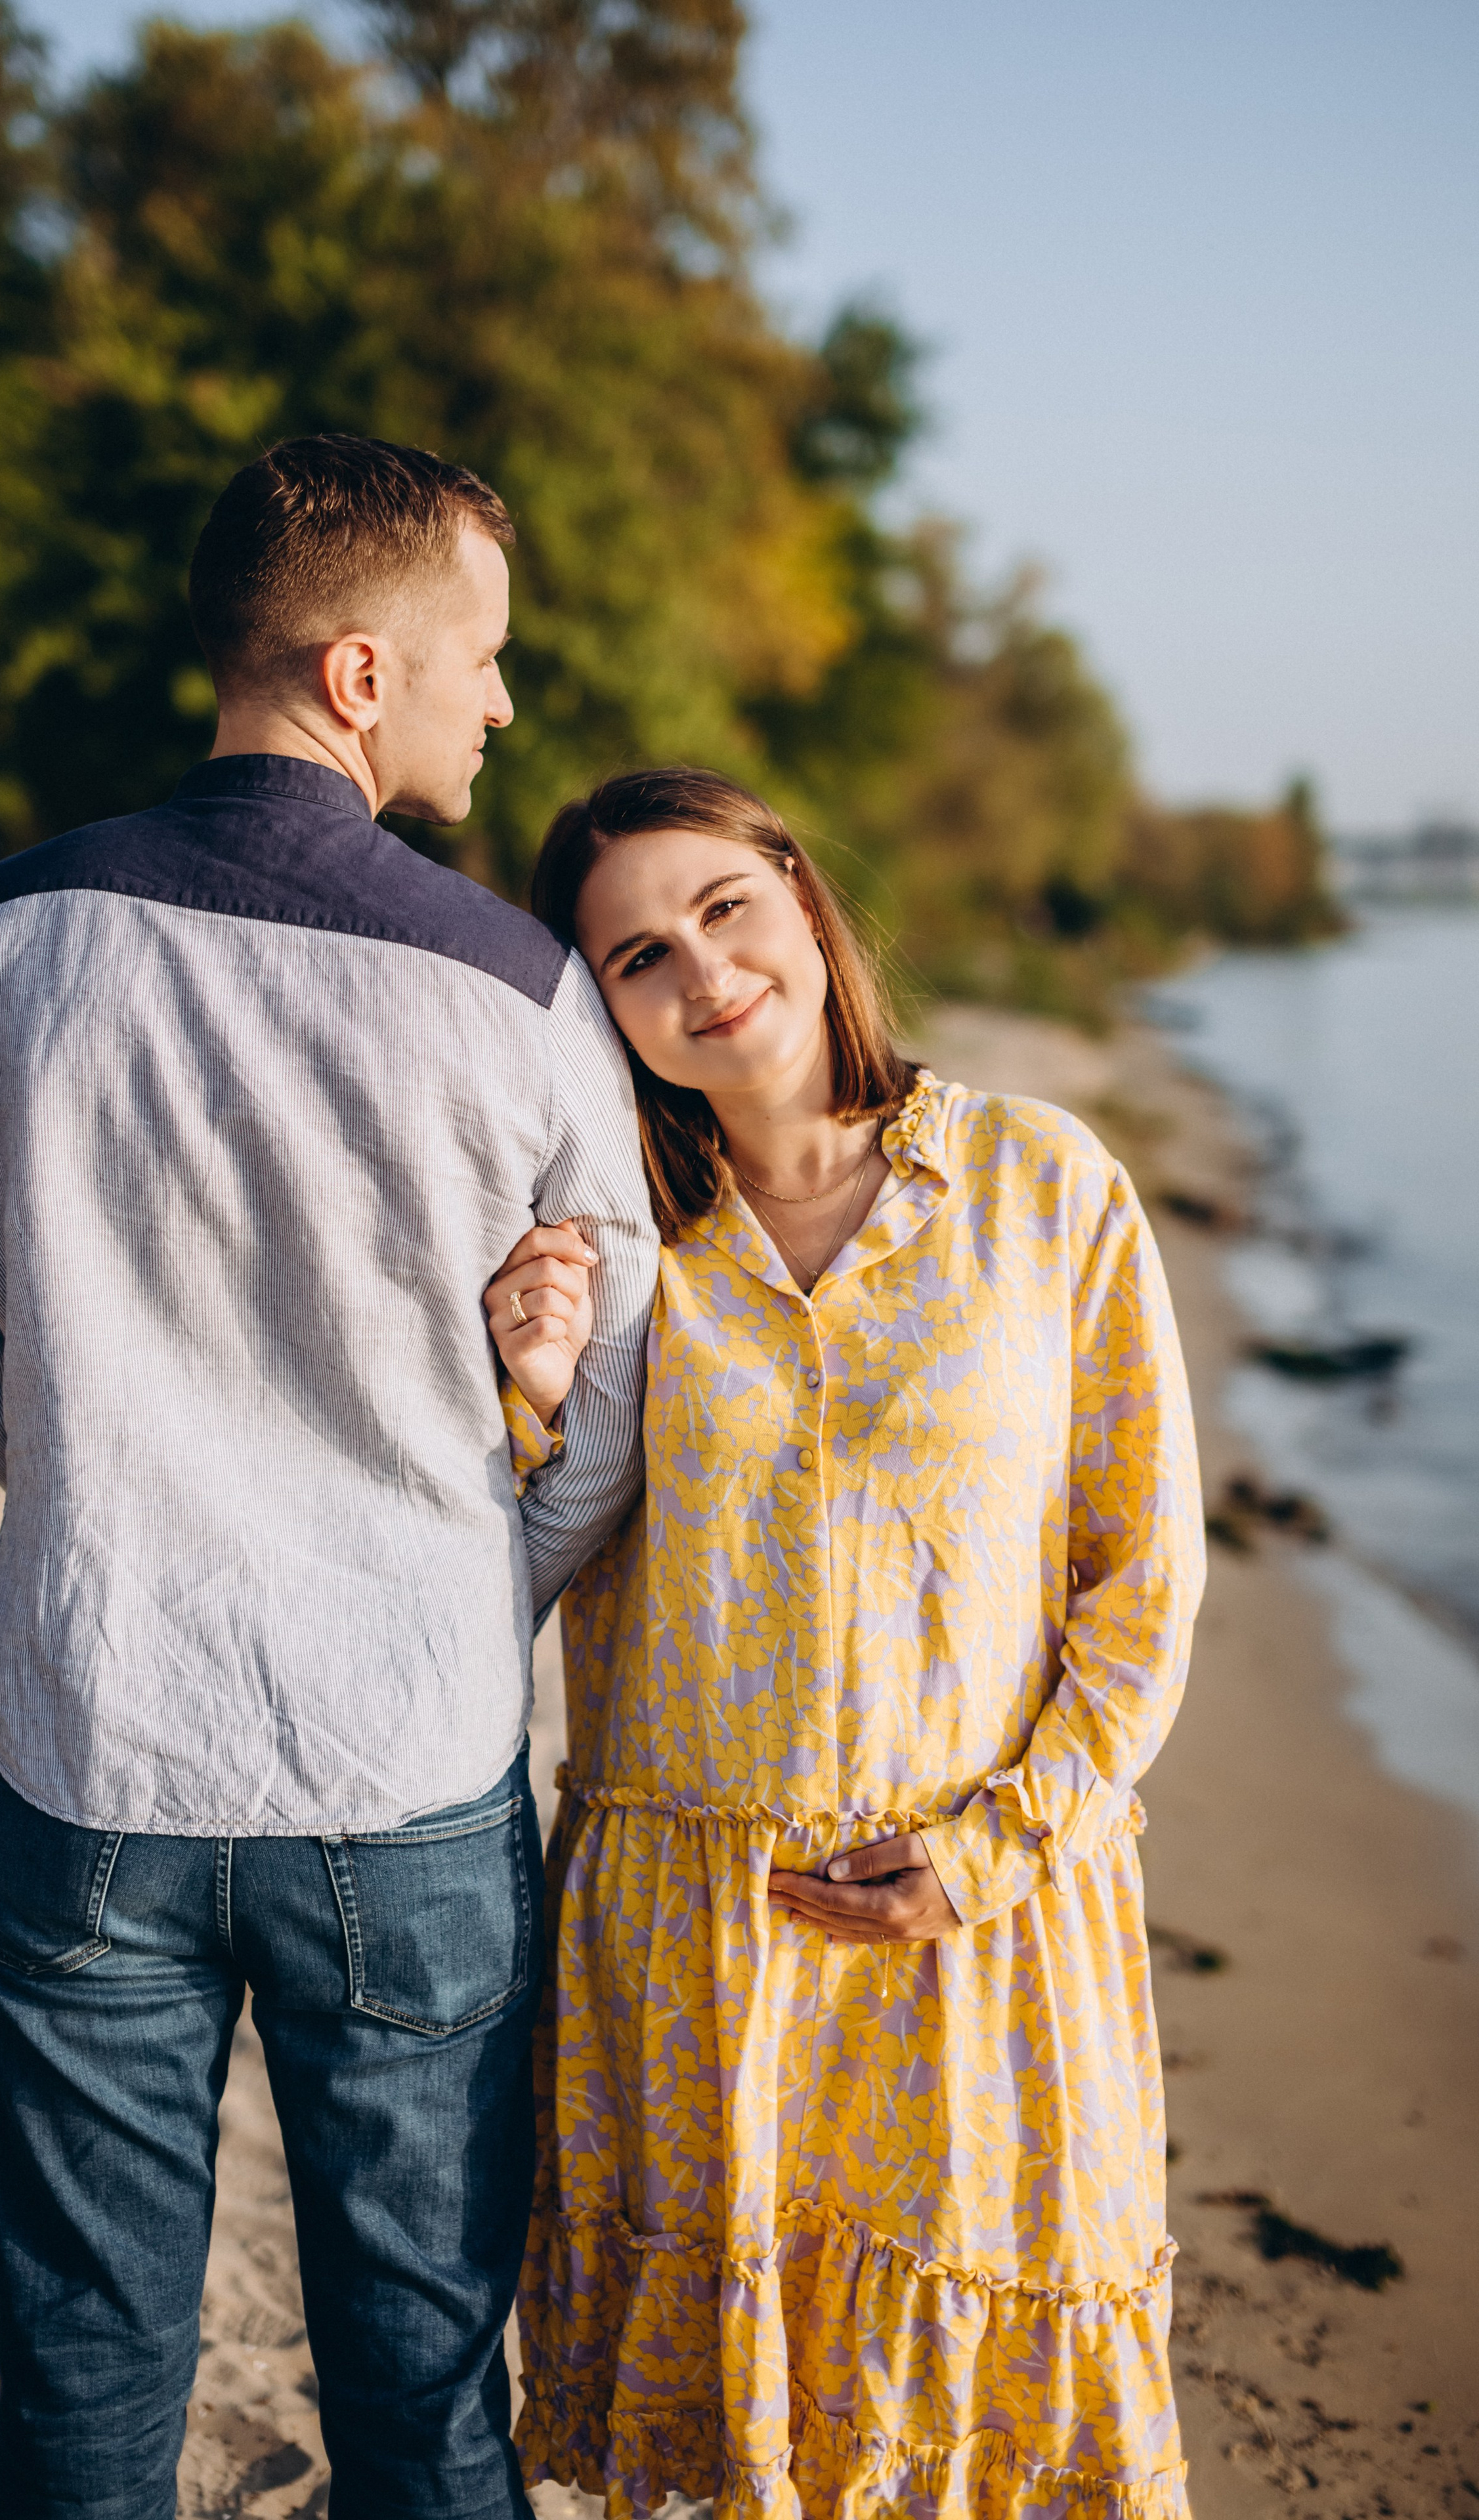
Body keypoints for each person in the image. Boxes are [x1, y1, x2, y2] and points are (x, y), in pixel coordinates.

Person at [0, 434, 658, 2520]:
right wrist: (475, 1581)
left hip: (84, 1739)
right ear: (356, 673)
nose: (505, 700)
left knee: (79, 2402)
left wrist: (123, 1498)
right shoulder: (524, 989)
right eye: (481, 657)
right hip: (402, 1768)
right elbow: (614, 1400)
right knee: (428, 2411)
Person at [486, 768, 1206, 2519]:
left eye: (724, 907)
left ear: (804, 901)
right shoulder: (612, 1248)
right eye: (640, 956)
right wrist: (526, 1395)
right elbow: (486, 1564)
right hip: (698, 1958)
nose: (704, 973)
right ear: (605, 1012)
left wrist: (992, 1853)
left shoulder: (1044, 1186)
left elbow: (1142, 1583)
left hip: (980, 1937)